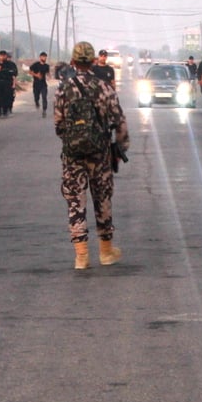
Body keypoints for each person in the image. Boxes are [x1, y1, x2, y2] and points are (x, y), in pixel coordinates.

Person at [55, 41, 129, 269]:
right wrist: (119, 148)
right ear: (93, 61)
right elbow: (120, 122)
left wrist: (74, 140)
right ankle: (106, 253)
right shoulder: (105, 87)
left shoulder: (64, 88)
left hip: (73, 155)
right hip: (100, 153)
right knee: (102, 199)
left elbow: (58, 125)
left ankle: (81, 256)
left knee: (75, 202)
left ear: (74, 61)